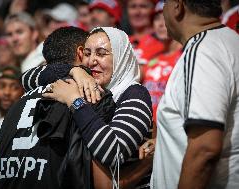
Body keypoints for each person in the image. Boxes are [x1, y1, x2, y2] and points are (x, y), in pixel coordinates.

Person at [0, 26, 116, 189]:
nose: (92, 59)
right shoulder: (89, 95)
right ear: (80, 53)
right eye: (88, 52)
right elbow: (103, 181)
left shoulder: (18, 101)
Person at [42, 27, 153, 188]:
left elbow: (113, 152)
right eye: (87, 54)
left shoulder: (135, 93)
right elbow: (28, 77)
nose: (91, 61)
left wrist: (75, 101)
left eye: (101, 54)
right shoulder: (92, 88)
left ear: (121, 57)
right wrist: (75, 71)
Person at [151, 0, 239, 188]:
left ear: (178, 6)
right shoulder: (229, 40)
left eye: (165, 2)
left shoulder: (203, 50)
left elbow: (205, 148)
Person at [141, 0, 182, 136]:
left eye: (164, 17)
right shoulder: (152, 58)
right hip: (148, 130)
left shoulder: (185, 55)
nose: (160, 24)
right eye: (156, 19)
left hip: (173, 130)